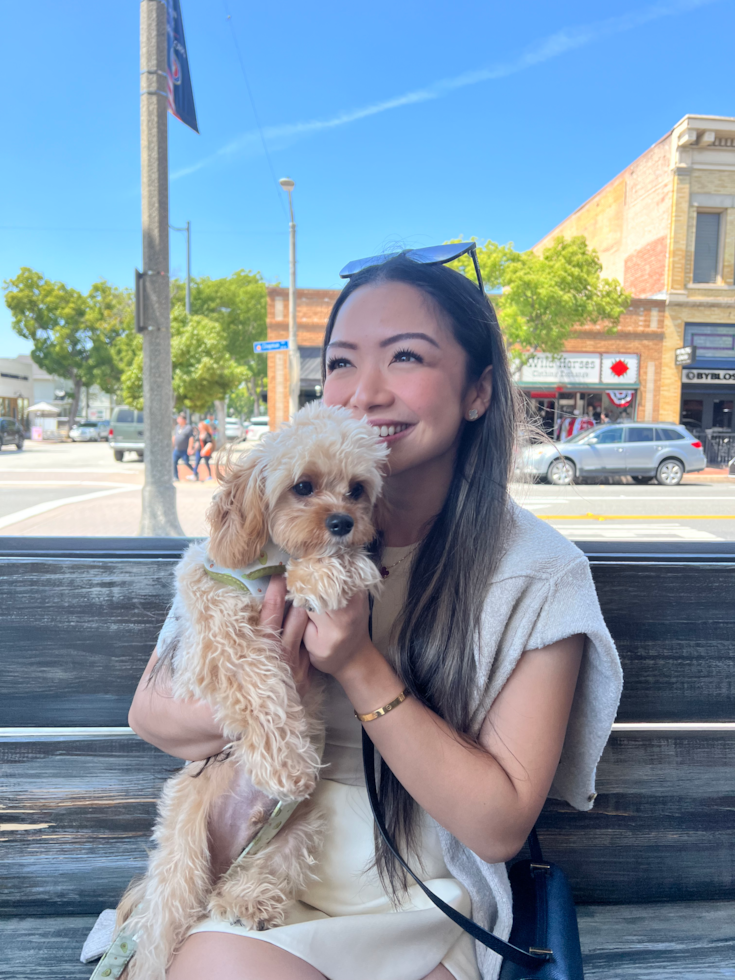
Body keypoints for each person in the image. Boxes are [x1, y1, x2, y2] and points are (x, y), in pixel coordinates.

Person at [129, 252, 622, 980]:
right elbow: (151, 715)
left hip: (427, 891)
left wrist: (358, 668)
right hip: (261, 856)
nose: (364, 392)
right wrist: (272, 690)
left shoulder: (536, 573)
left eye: (405, 357)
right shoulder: (264, 533)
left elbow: (496, 825)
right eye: (340, 363)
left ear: (479, 391)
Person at [172, 413, 195, 481]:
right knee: (174, 462)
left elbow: (191, 438)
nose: (178, 420)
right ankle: (175, 477)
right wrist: (173, 445)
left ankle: (195, 472)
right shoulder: (177, 427)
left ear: (183, 420)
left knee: (186, 462)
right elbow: (174, 436)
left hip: (184, 449)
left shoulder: (188, 428)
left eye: (179, 418)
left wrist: (190, 448)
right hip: (177, 449)